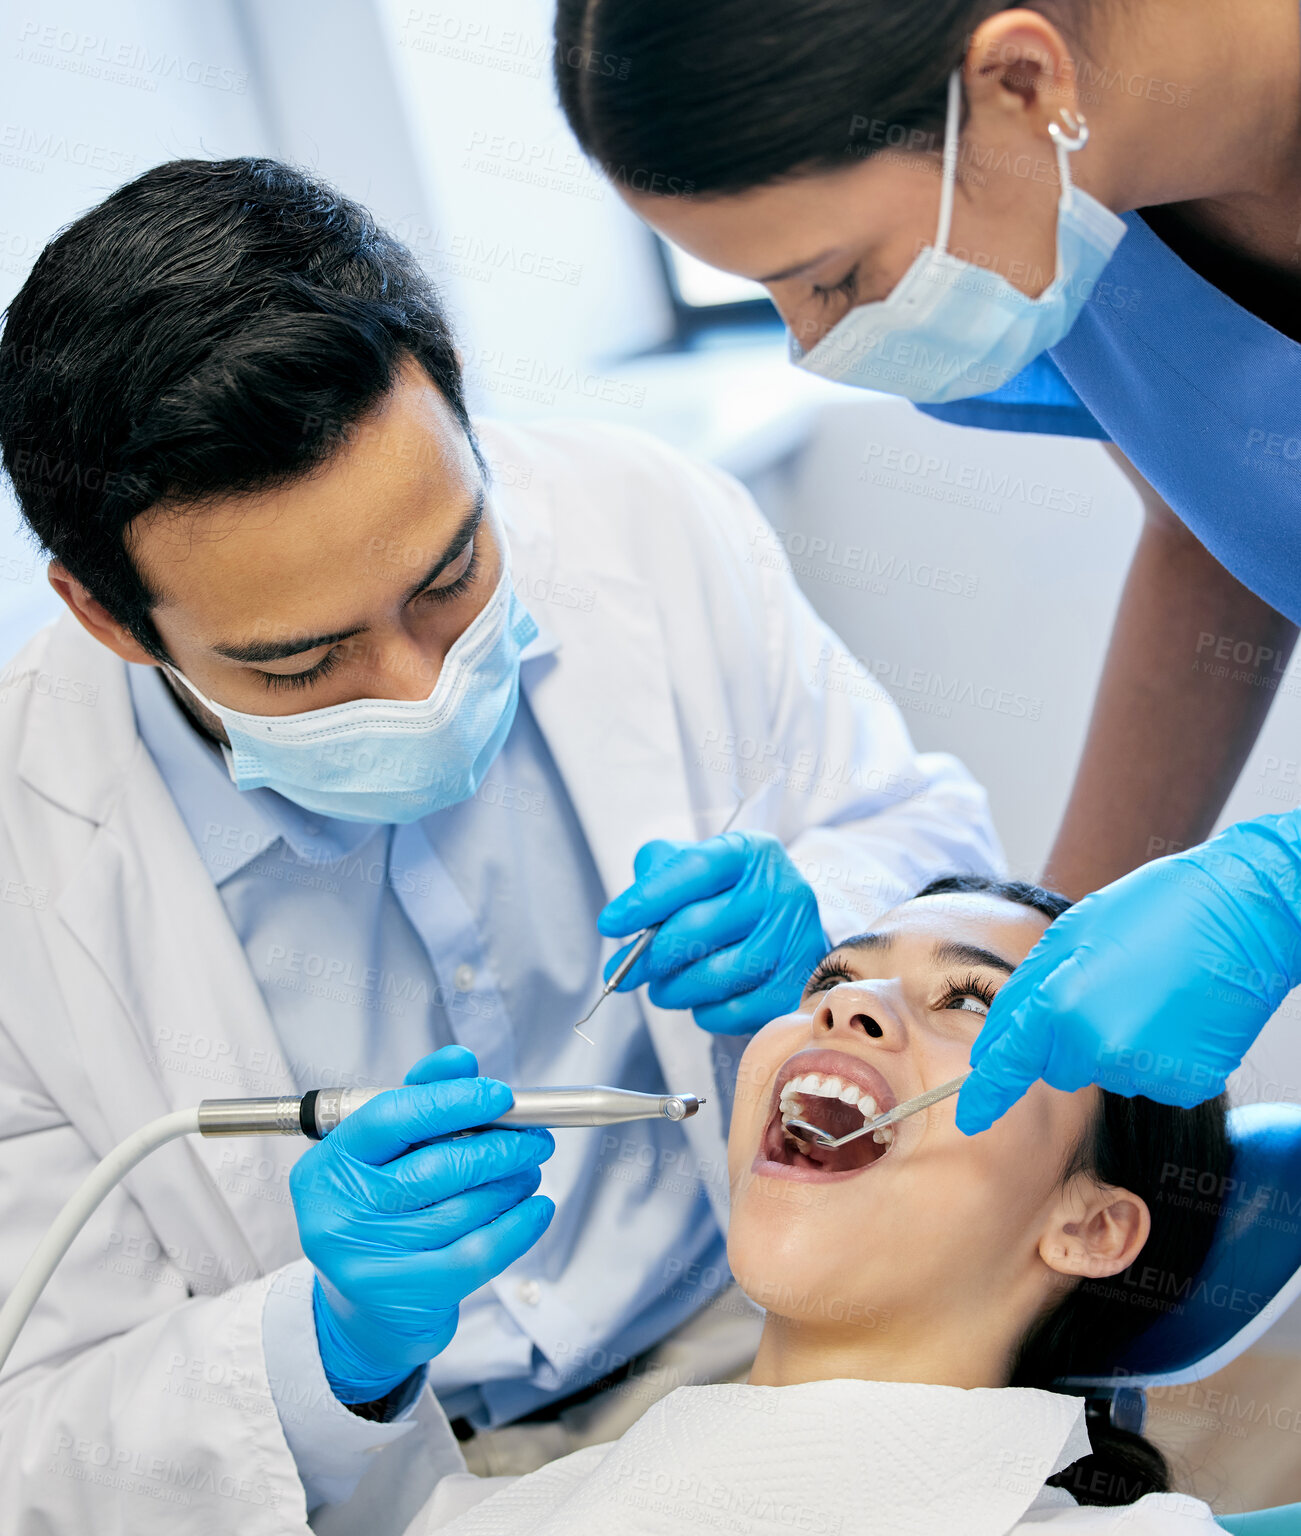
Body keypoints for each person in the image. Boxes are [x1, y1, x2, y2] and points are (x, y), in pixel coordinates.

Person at [0, 158, 1000, 1534]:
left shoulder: (647, 526)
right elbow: (36, 1435)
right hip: (390, 1487)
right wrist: (330, 1344)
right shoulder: (25, 862)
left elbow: (929, 834)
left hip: (765, 1344)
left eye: (449, 578)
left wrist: (823, 918)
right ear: (107, 617)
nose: (418, 688)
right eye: (301, 664)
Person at [552, 0, 1301, 1136]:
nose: (809, 345)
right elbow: (1218, 527)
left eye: (833, 274)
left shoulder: (1030, 169)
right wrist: (1044, 941)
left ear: (1017, 83)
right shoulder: (1069, 193)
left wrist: (1279, 893)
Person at [401, 876, 1231, 1533]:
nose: (843, 1005)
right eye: (832, 978)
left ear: (1089, 1228)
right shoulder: (485, 1517)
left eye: (971, 1002)